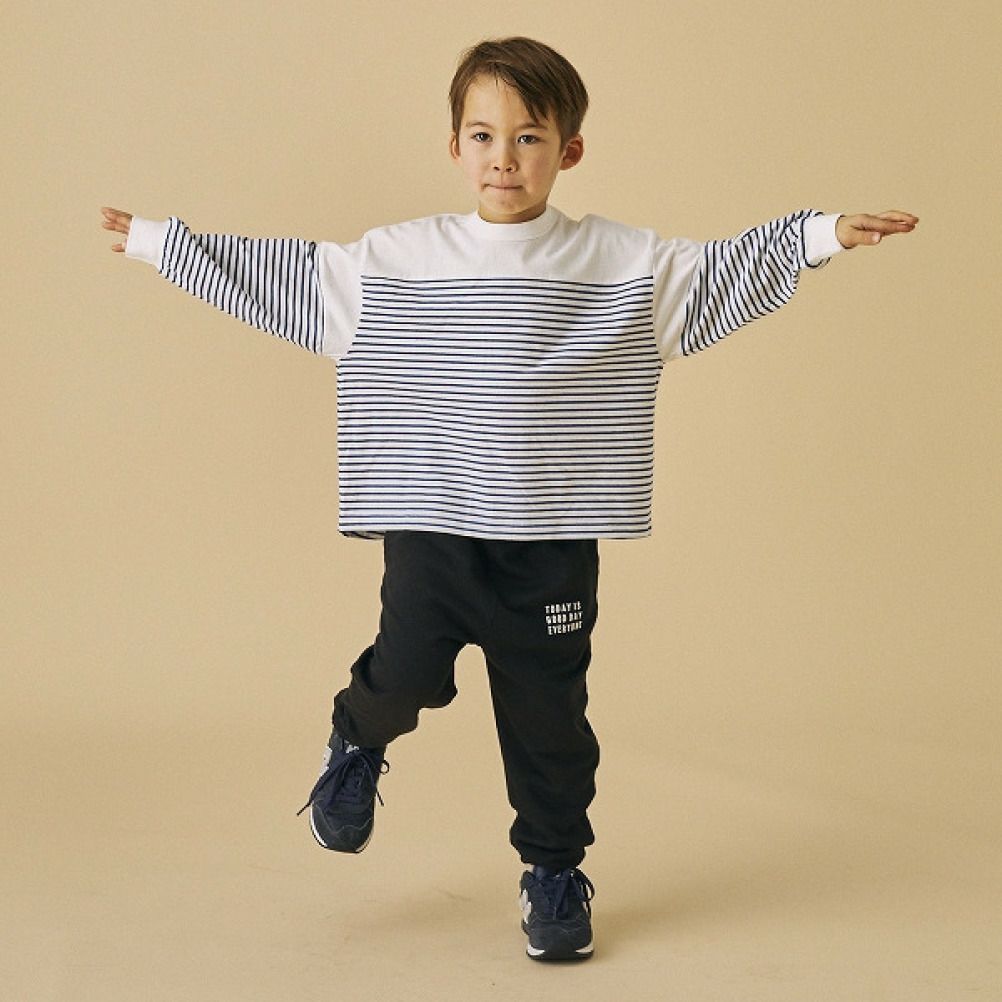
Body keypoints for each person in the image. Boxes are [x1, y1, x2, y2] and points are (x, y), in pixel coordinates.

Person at [100, 35, 917, 963]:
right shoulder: (398, 260)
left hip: (551, 544)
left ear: (569, 150)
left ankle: (554, 874)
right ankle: (355, 740)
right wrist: (164, 244)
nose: (504, 158)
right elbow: (279, 276)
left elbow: (723, 269)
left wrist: (820, 236)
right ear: (455, 146)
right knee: (406, 671)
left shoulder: (618, 262)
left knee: (550, 723)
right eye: (484, 136)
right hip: (434, 529)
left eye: (529, 138)